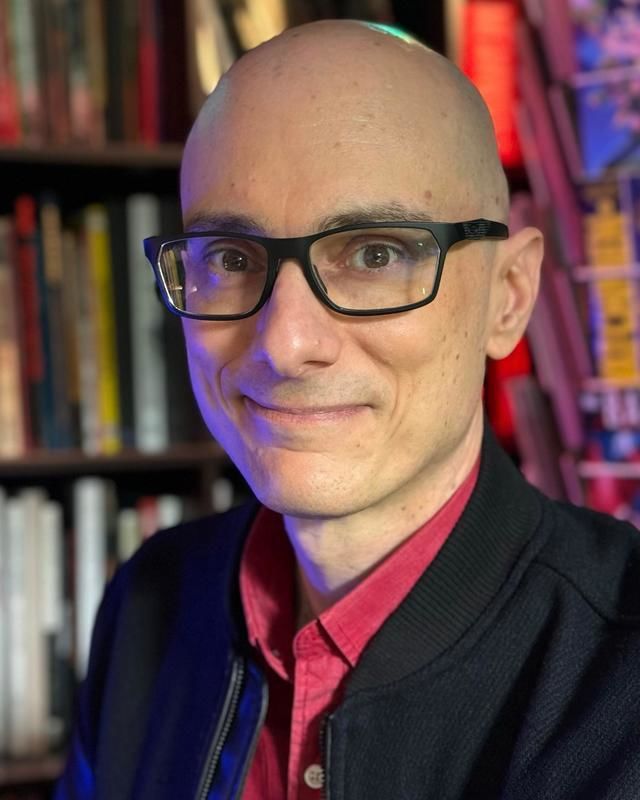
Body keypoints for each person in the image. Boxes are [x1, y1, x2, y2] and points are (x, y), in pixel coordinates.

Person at [55, 19, 640, 800]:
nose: (286, 343)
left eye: (374, 254)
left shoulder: (620, 674)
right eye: (230, 257)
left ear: (508, 296)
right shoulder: (150, 604)